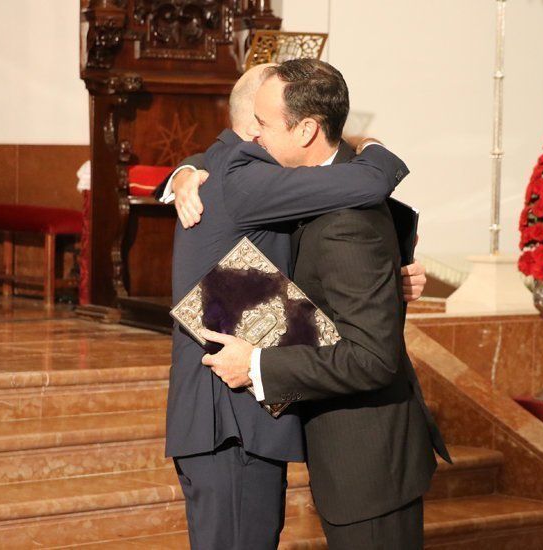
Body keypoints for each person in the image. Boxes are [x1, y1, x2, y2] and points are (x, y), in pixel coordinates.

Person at [165, 62, 418, 550]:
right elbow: (365, 184)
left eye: (267, 124)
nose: (259, 135)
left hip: (242, 416)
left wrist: (391, 277)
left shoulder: (224, 169)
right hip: (231, 421)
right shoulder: (240, 175)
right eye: (257, 125)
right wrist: (377, 148)